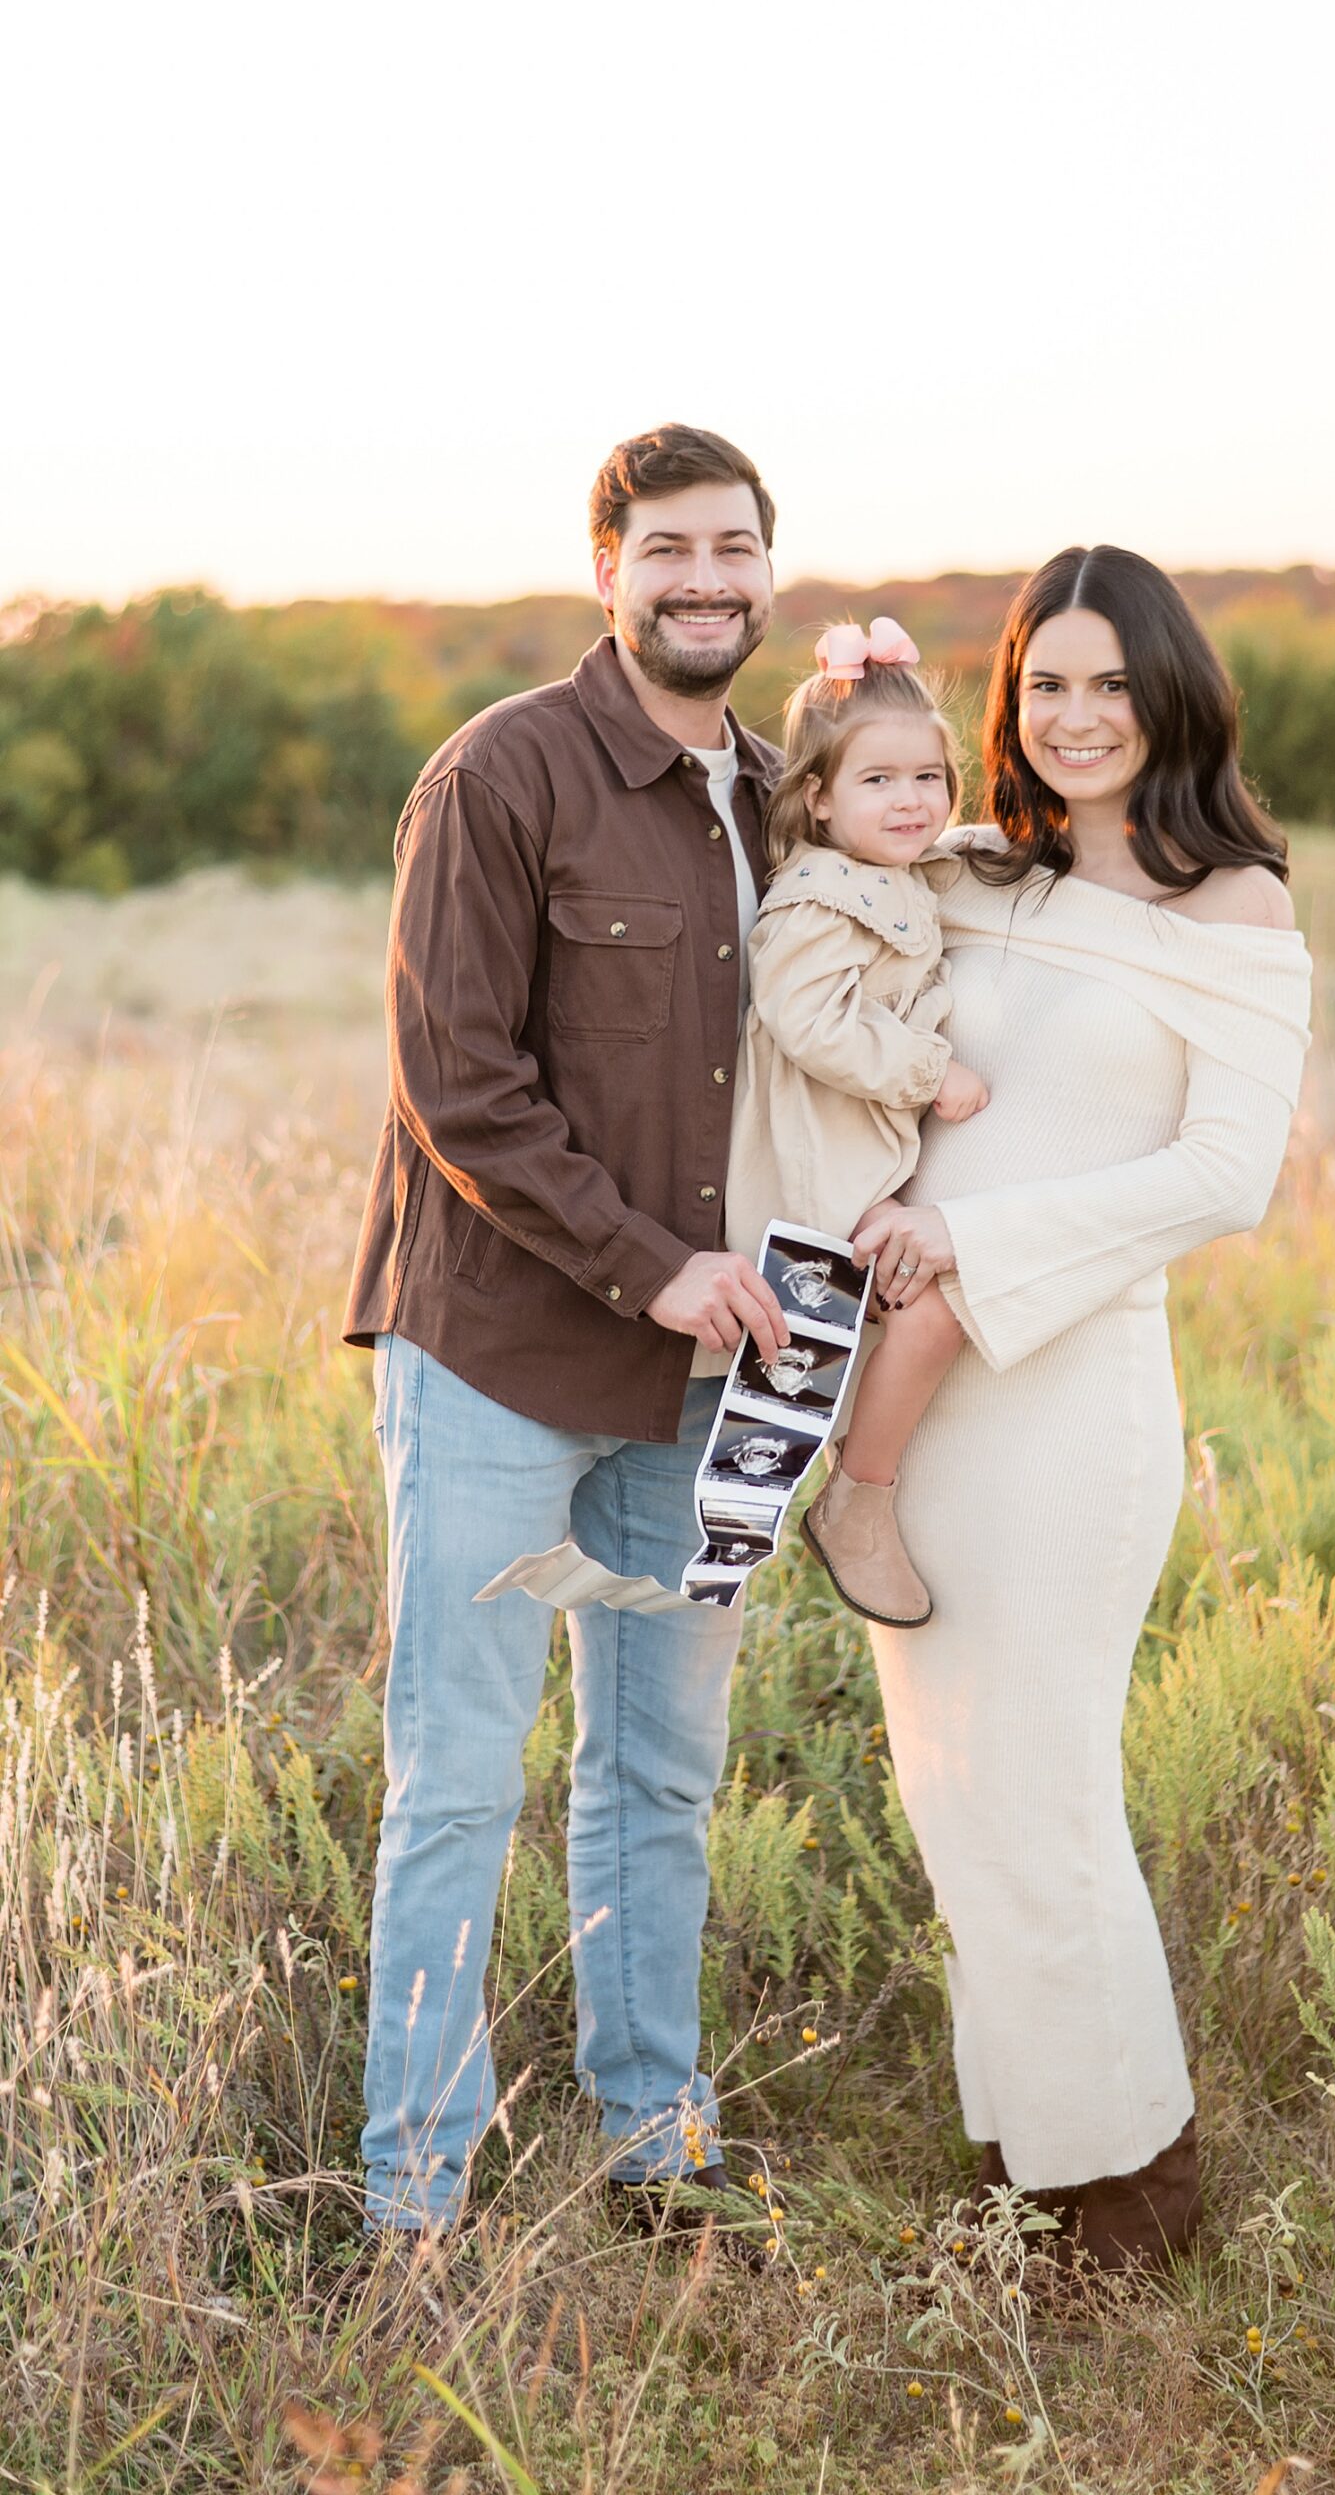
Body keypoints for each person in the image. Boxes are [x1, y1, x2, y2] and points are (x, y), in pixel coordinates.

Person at [341, 422, 795, 2239]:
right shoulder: (503, 773)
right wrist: (651, 1267)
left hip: (703, 1387)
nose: (704, 582)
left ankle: (653, 2146)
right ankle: (413, 2200)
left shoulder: (789, 790)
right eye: (669, 549)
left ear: (773, 570)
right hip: (501, 1360)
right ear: (606, 564)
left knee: (660, 1775)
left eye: (735, 550)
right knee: (458, 1779)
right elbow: (455, 1079)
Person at [848, 544, 1313, 2274]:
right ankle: (1036, 2162)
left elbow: (1222, 1176)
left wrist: (969, 1237)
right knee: (953, 1790)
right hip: (917, 1407)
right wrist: (847, 696)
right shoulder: (973, 878)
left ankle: (1135, 2190)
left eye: (1109, 681)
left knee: (1038, 1787)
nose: (1075, 714)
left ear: (1169, 693)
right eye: (1044, 682)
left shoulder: (1236, 914)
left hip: (1068, 1400)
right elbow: (819, 864)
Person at [723, 616, 988, 1627]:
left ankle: (847, 1499)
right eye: (877, 781)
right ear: (819, 796)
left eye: (927, 778)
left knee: (899, 1326)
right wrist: (931, 1073)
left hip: (855, 1172)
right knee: (776, 1403)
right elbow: (810, 1022)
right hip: (807, 1187)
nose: (910, 800)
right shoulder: (813, 900)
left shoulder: (899, 879)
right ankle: (727, 1557)